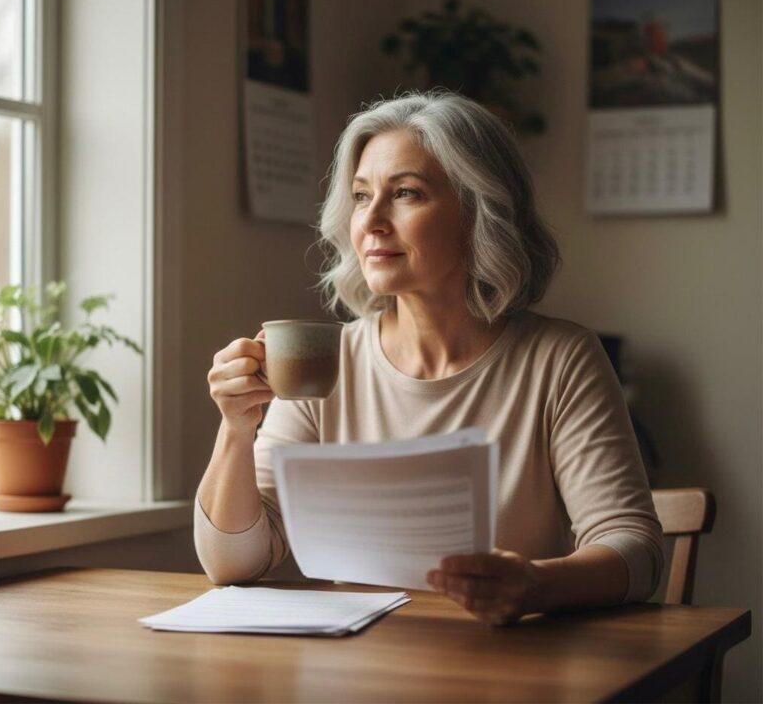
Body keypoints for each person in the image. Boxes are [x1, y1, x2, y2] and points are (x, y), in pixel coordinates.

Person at [196, 90, 664, 626]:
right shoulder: (323, 360)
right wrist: (236, 428)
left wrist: (536, 585)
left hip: (507, 668)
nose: (371, 220)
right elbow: (233, 565)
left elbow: (636, 550)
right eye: (361, 195)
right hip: (355, 672)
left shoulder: (559, 359)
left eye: (407, 194)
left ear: (478, 212)